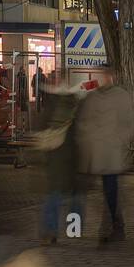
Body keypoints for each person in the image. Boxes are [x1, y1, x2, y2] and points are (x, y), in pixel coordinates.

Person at [74, 68, 134, 243]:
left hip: (111, 153)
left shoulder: (121, 96)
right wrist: (86, 138)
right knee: (97, 192)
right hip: (94, 153)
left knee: (111, 192)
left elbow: (131, 123)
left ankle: (113, 227)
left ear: (111, 77)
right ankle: (110, 226)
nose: (101, 79)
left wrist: (118, 139)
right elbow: (83, 122)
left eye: (104, 76)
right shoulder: (92, 97)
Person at [34, 82, 85, 244]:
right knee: (76, 197)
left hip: (55, 158)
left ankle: (50, 231)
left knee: (53, 196)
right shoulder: (77, 107)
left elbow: (40, 129)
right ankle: (74, 230)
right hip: (75, 158)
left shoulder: (51, 107)